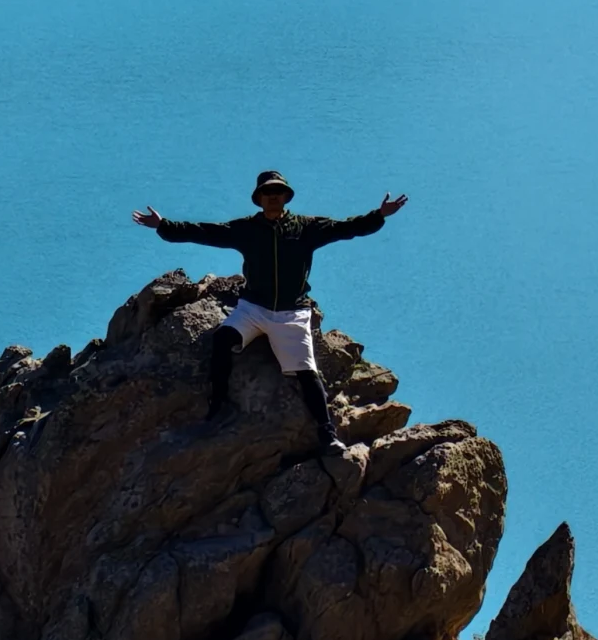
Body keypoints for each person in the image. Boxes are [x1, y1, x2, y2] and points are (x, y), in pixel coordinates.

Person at [133, 169, 407, 453]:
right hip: (253, 308)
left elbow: (347, 227)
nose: (273, 196)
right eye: (267, 192)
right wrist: (163, 225)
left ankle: (328, 434)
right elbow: (205, 232)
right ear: (259, 198)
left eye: (278, 192)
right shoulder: (246, 229)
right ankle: (218, 404)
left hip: (292, 313)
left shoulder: (305, 227)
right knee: (222, 340)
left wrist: (379, 215)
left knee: (307, 374)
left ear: (286, 197)